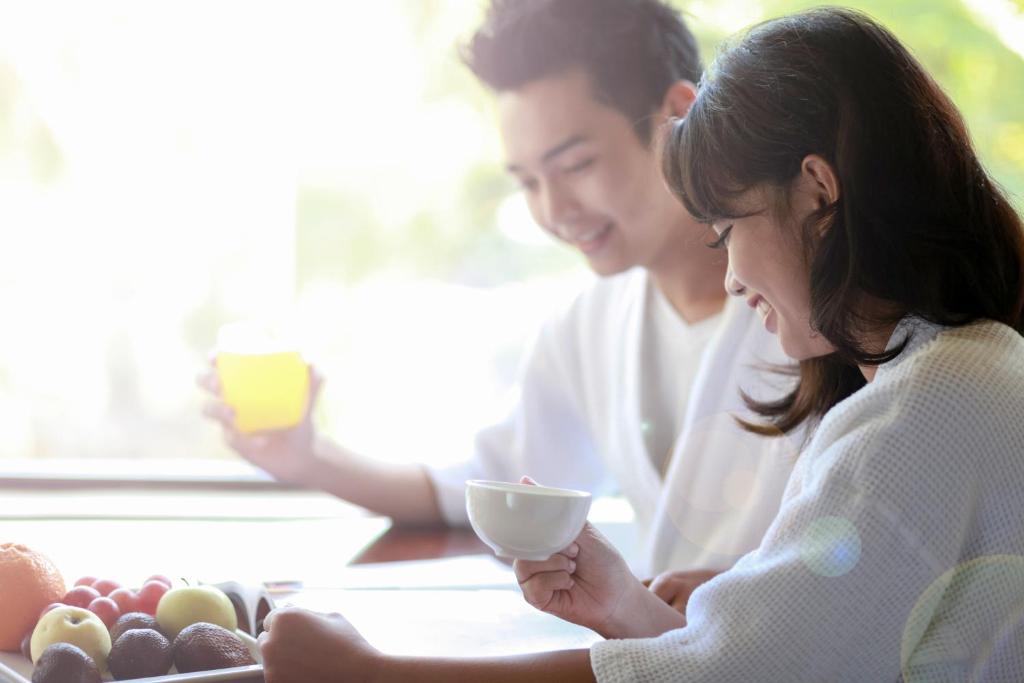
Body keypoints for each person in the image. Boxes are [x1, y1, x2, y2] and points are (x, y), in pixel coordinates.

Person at [255, 7, 1024, 681]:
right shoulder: (947, 372)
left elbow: (745, 667)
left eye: (729, 230)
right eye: (527, 181)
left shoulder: (924, 400)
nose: (731, 277)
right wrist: (628, 604)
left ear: (818, 190)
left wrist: (374, 674)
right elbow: (760, 655)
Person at [201, 0, 798, 589]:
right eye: (530, 182)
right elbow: (489, 485)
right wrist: (308, 457)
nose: (555, 211)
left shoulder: (809, 312)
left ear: (678, 115)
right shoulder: (589, 324)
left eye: (577, 164)